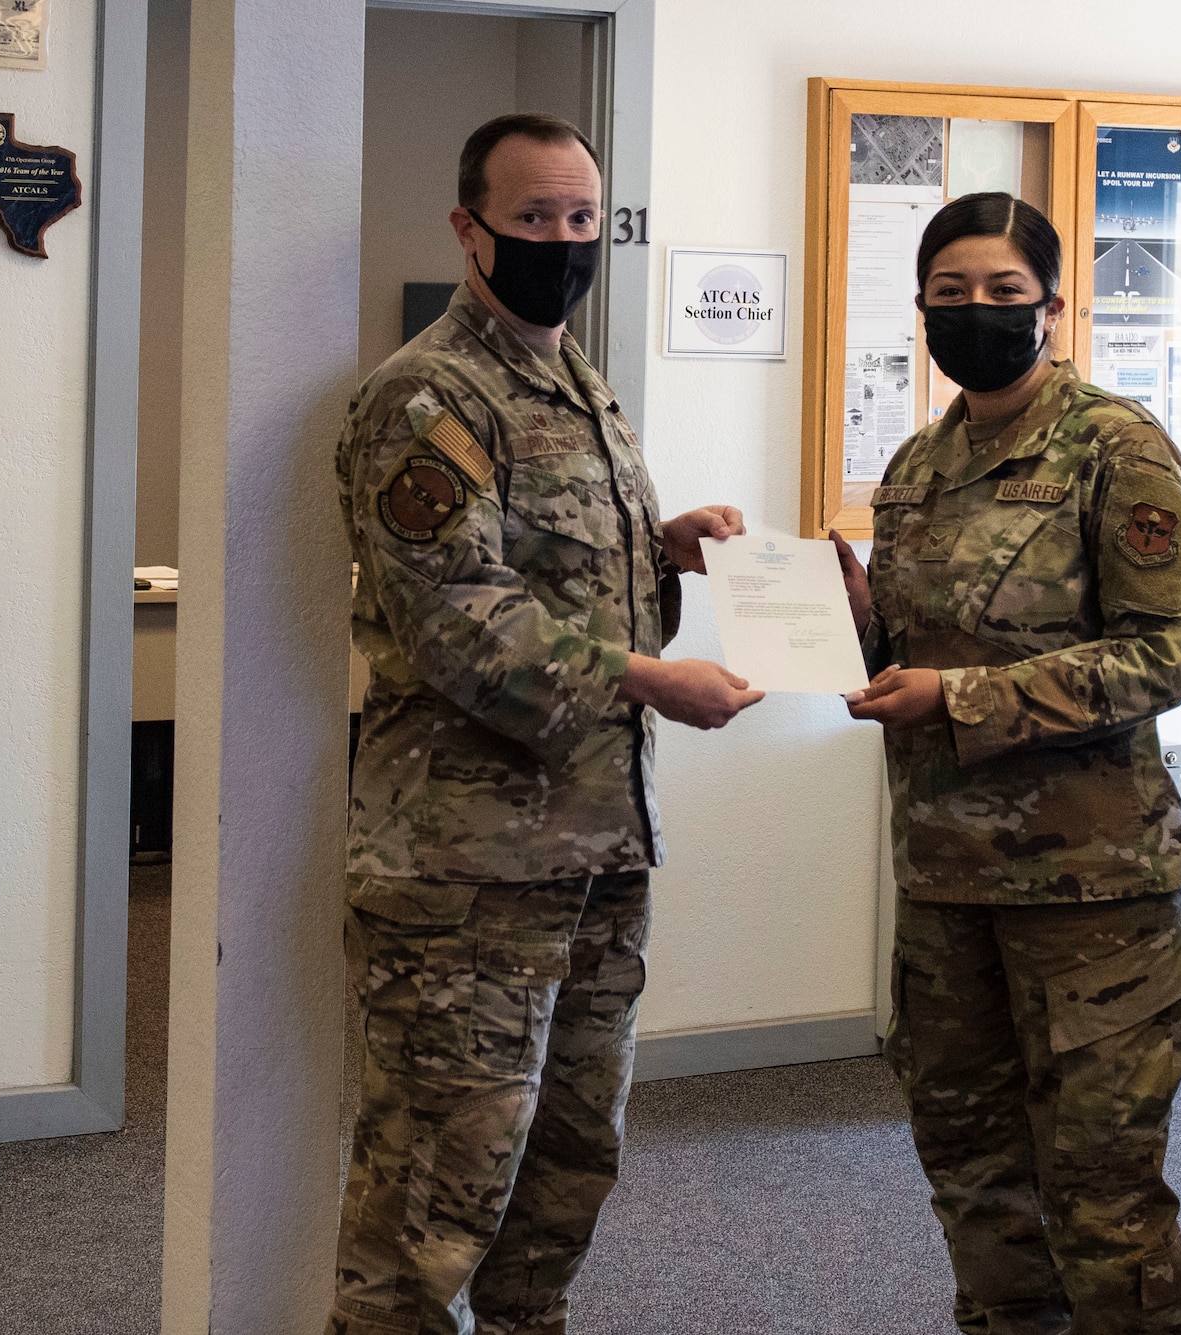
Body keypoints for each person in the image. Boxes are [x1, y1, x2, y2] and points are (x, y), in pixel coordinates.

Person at [329, 112, 762, 1335]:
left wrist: (663, 555)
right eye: (533, 219)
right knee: (427, 1210)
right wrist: (642, 677)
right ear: (469, 228)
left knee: (563, 1180)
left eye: (581, 219)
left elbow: (589, 594)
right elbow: (456, 625)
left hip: (596, 858)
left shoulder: (579, 383)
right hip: (466, 880)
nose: (561, 242)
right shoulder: (427, 397)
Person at [833, 192, 1181, 1335]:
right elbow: (915, 653)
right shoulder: (916, 463)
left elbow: (1164, 652)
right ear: (920, 310)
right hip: (947, 890)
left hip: (1090, 897)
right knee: (976, 1190)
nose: (977, 312)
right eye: (950, 295)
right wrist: (851, 621)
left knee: (1102, 1206)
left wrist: (961, 697)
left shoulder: (1115, 445)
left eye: (1003, 292)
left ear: (1053, 302)